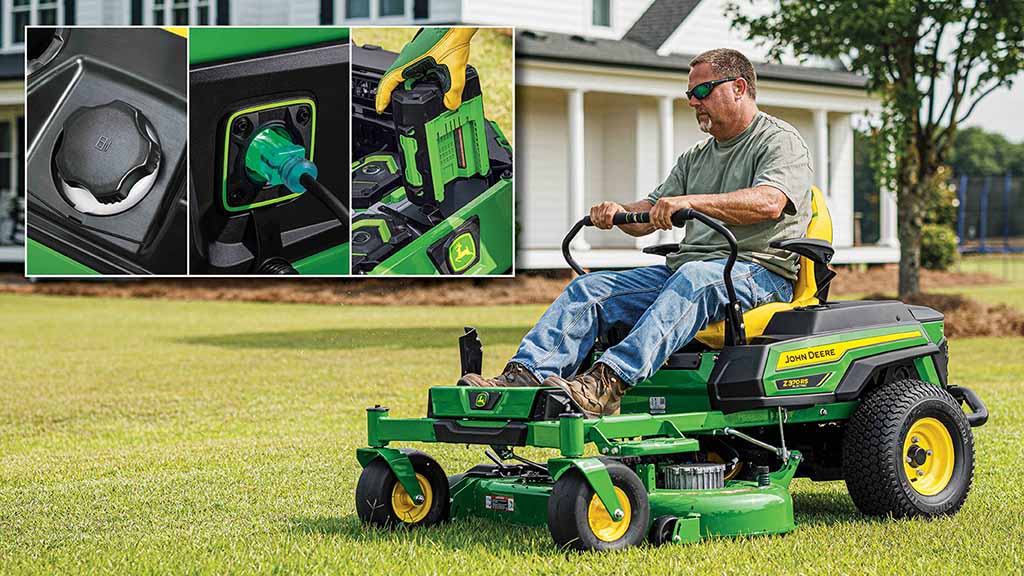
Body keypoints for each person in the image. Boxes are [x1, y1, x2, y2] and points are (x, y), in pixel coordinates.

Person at [459, 48, 814, 418]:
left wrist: (687, 202)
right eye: (689, 94)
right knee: (589, 289)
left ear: (739, 87)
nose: (693, 101)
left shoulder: (779, 141)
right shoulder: (696, 157)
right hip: (690, 271)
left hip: (758, 272)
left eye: (703, 90)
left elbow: (769, 202)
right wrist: (618, 212)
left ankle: (605, 383)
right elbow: (649, 214)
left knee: (695, 278)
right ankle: (525, 377)